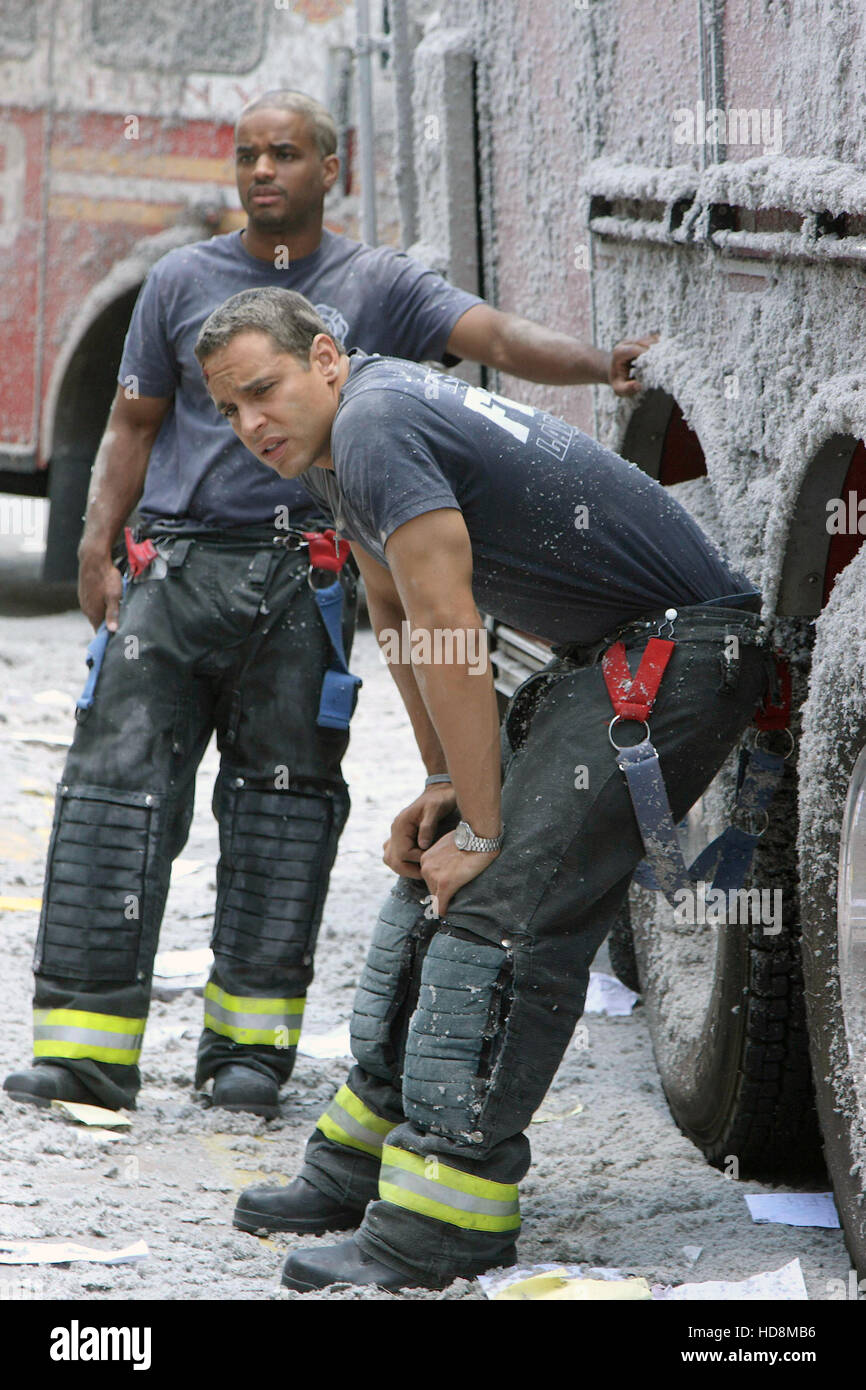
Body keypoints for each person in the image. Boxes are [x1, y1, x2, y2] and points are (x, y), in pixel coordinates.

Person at [4, 90, 654, 1120]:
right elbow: (131, 424)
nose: (263, 170)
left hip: (299, 586)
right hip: (172, 574)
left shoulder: (373, 283)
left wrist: (595, 364)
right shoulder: (178, 281)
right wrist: (95, 546)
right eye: (247, 155)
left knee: (282, 812)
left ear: (329, 168)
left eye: (285, 154)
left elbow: (490, 332)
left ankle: (246, 1057)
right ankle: (86, 1053)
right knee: (113, 802)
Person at [193, 287, 775, 1290]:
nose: (251, 425)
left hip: (681, 649)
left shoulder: (373, 424)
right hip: (616, 651)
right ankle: (363, 1162)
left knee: (501, 908)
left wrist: (487, 822)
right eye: (228, 409)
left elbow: (454, 633)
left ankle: (441, 1220)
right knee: (433, 876)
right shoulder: (342, 441)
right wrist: (439, 788)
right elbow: (396, 613)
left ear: (325, 357)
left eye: (263, 391)